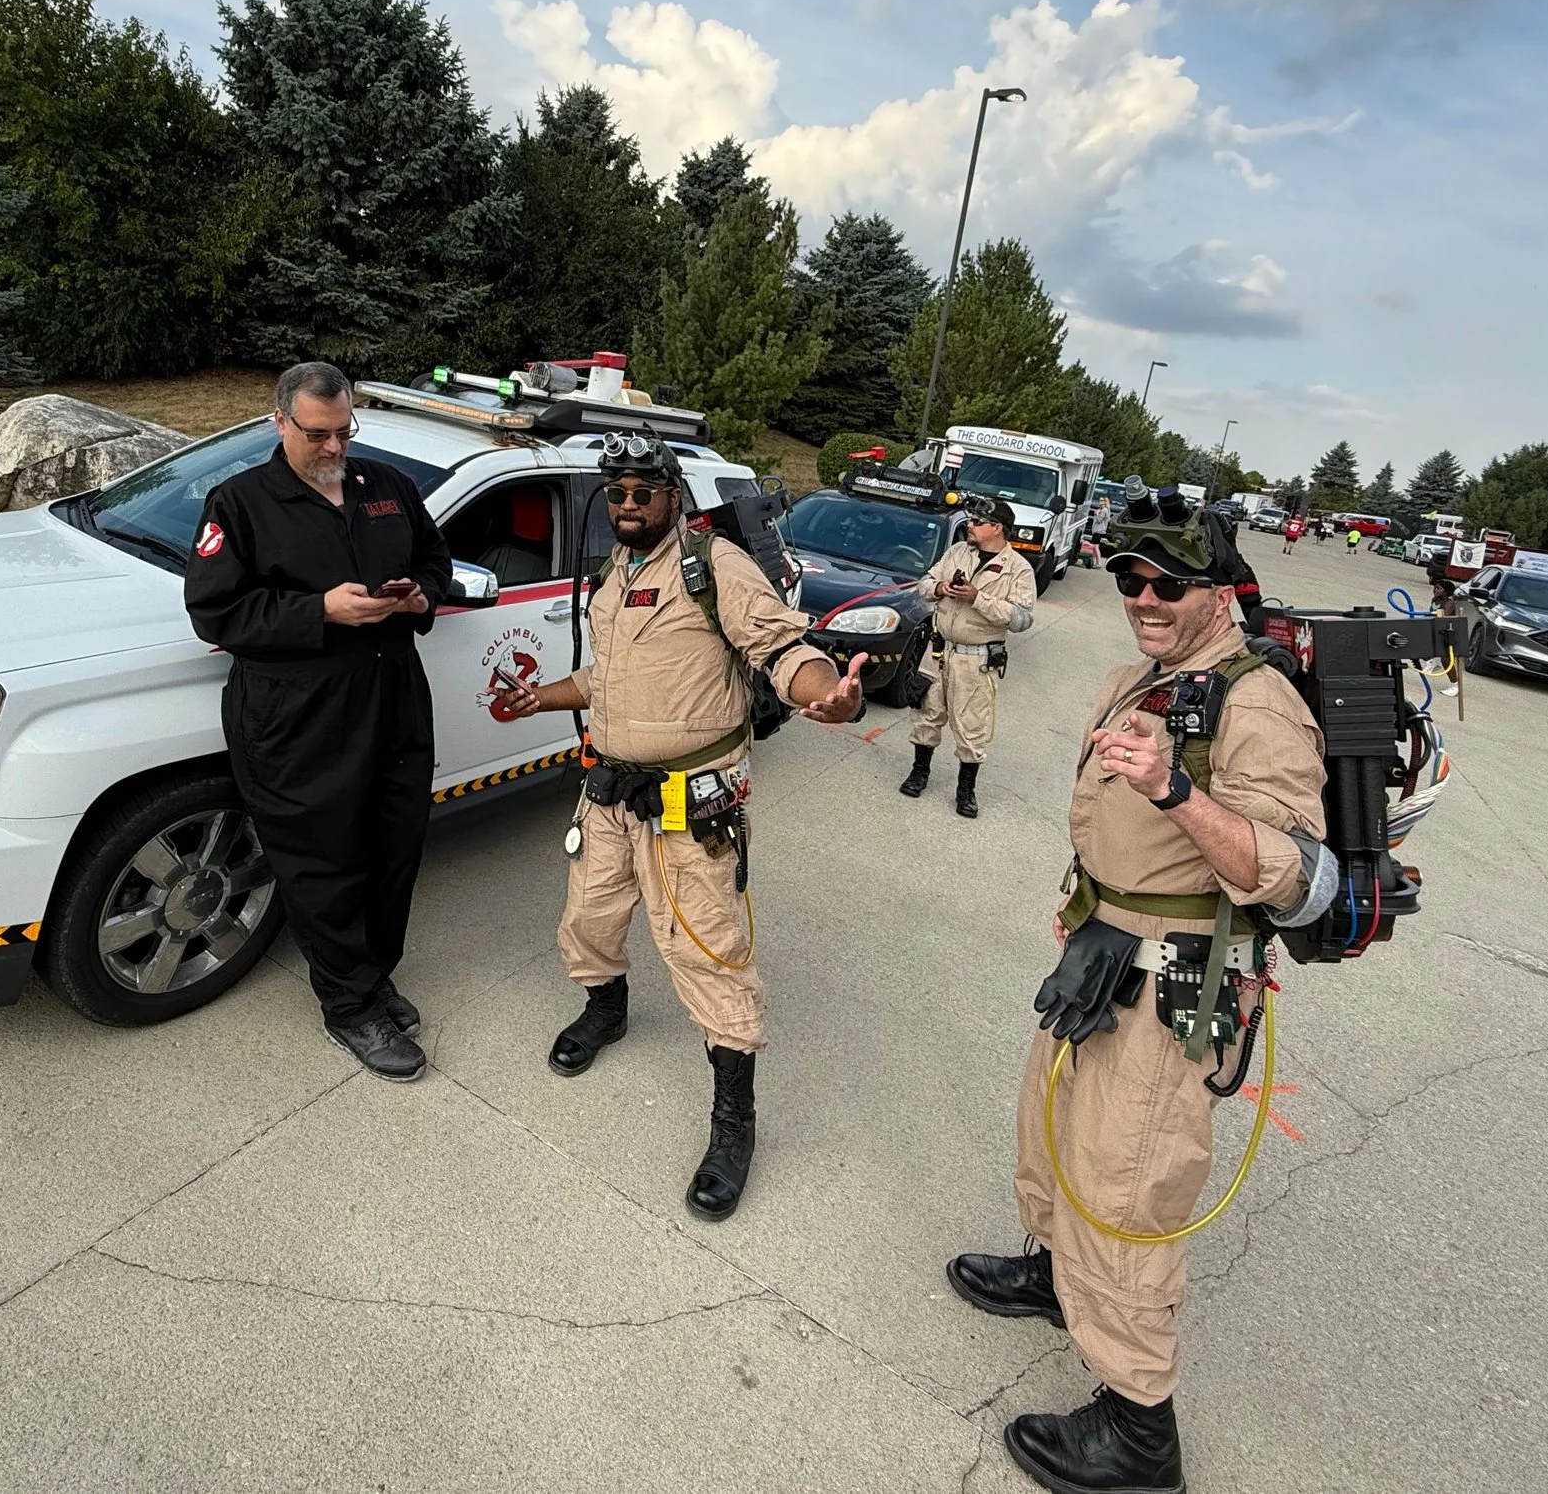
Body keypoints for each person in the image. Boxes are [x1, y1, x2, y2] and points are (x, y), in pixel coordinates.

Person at [947, 489, 1326, 1494]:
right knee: (1050, 1127)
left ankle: (1138, 1432)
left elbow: (1287, 871)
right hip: (1099, 952)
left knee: (1125, 1190)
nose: (1144, 597)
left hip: (1171, 990)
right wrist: (1082, 902)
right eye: (1129, 579)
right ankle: (1052, 1275)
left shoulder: (1256, 704)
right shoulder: (1138, 678)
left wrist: (1174, 789)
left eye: (1169, 583)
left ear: (1215, 589)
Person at [489, 431, 866, 1220]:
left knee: (708, 952)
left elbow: (782, 647)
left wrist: (825, 691)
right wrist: (545, 696)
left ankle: (734, 1125)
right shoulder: (615, 571)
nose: (627, 505)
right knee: (588, 916)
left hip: (693, 808)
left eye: (642, 492)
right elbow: (611, 675)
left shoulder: (713, 568)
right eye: (616, 493)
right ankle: (606, 1009)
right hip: (609, 795)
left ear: (672, 496)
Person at [185, 362, 453, 1082]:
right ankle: (348, 1007)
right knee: (324, 862)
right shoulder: (239, 504)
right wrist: (319, 609)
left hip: (393, 693)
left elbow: (437, 559)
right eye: (317, 434)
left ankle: (370, 975)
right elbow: (216, 611)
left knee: (394, 847)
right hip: (297, 710)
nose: (335, 448)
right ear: (280, 423)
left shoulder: (387, 490)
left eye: (343, 431)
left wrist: (419, 596)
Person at [898, 494, 1039, 819]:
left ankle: (966, 791)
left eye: (977, 522)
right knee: (926, 714)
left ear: (997, 528)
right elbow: (924, 583)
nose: (970, 526)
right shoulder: (958, 552)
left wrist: (979, 598)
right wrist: (939, 588)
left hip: (977, 661)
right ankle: (920, 773)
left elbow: (1021, 620)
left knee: (972, 726)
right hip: (938, 652)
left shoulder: (1018, 569)